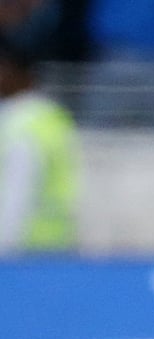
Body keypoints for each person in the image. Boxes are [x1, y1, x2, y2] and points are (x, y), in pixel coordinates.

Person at [0, 31, 80, 253]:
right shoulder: (51, 116)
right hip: (54, 245)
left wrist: (4, 251)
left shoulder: (21, 125)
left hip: (24, 249)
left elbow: (16, 194)